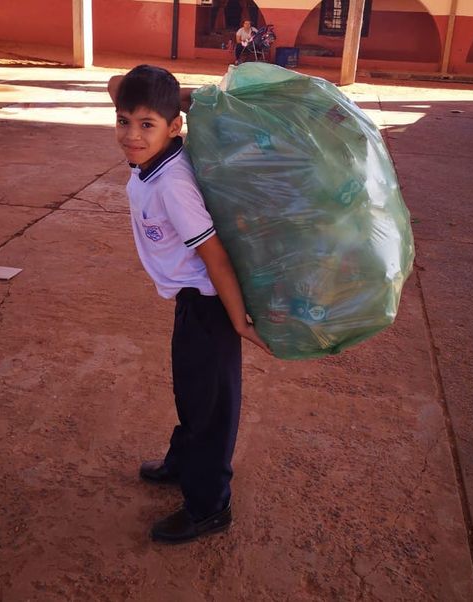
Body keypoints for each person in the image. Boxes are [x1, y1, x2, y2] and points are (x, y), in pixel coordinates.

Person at [107, 65, 270, 544]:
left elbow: (213, 253)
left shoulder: (173, 183)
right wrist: (168, 101)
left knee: (212, 407)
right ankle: (183, 462)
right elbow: (117, 85)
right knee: (191, 391)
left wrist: (237, 320)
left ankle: (209, 505)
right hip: (189, 299)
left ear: (174, 128)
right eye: (123, 122)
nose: (131, 136)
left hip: (210, 304)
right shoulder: (157, 153)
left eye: (146, 125)